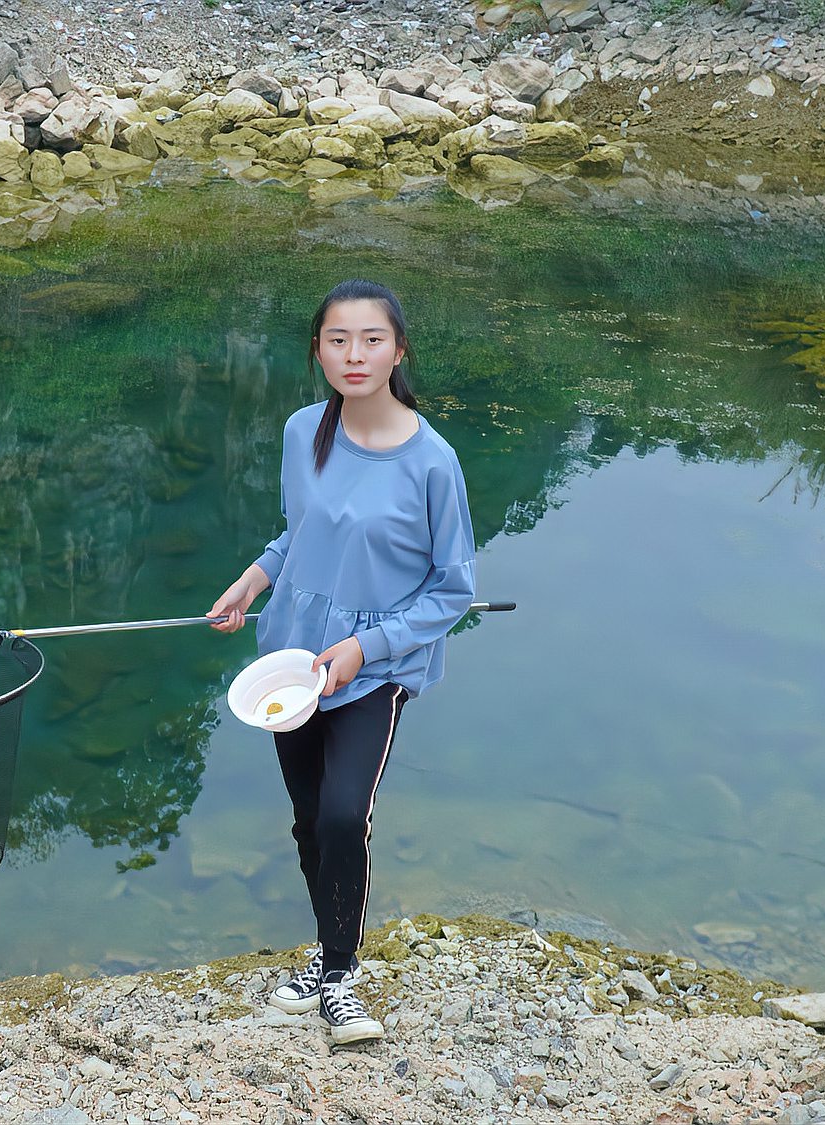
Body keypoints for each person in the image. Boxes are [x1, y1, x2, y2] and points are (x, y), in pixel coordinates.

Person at [207, 279, 477, 1046]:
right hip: (292, 657)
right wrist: (253, 578)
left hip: (374, 666)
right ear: (318, 348)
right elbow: (300, 533)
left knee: (340, 813)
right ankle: (328, 955)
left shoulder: (433, 462)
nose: (353, 355)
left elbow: (453, 586)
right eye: (337, 339)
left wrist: (369, 646)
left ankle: (340, 975)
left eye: (370, 340)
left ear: (399, 350)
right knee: (305, 818)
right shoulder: (303, 430)